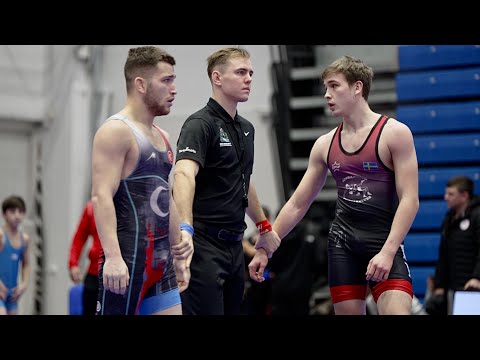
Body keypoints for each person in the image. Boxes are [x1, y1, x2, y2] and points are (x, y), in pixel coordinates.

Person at [249, 55, 419, 315]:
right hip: (343, 245)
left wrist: (388, 251)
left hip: (384, 242)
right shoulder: (325, 144)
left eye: (334, 86)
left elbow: (410, 199)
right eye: (325, 88)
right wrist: (265, 247)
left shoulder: (394, 134)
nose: (326, 95)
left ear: (357, 87)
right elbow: (297, 203)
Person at [173, 47, 281, 315]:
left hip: (234, 246)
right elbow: (184, 174)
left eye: (251, 73)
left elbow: (243, 179)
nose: (249, 79)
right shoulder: (199, 124)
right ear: (217, 78)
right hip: (204, 246)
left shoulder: (246, 128)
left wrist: (263, 226)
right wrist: (185, 228)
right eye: (241, 72)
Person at [91, 46, 192, 315]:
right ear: (140, 84)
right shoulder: (115, 131)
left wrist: (177, 248)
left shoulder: (162, 136)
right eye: (166, 80)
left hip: (161, 265)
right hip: (126, 266)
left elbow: (164, 197)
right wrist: (112, 257)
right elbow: (101, 197)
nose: (174, 89)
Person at [430, 176, 480, 314]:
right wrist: (439, 285)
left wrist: (477, 277)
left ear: (464, 195)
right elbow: (443, 254)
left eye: (451, 194)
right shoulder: (449, 218)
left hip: (473, 287)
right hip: (453, 287)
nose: (446, 197)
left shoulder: (477, 215)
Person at [68, 199, 101, 315]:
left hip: (121, 276)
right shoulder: (91, 208)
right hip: (94, 274)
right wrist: (73, 264)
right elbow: (79, 238)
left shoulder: (126, 203)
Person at [0, 195, 30, 315]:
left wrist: (24, 284)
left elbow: (26, 264)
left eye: (20, 212)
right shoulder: (1, 236)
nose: (17, 215)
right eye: (12, 211)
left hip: (12, 293)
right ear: (4, 214)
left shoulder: (25, 239)